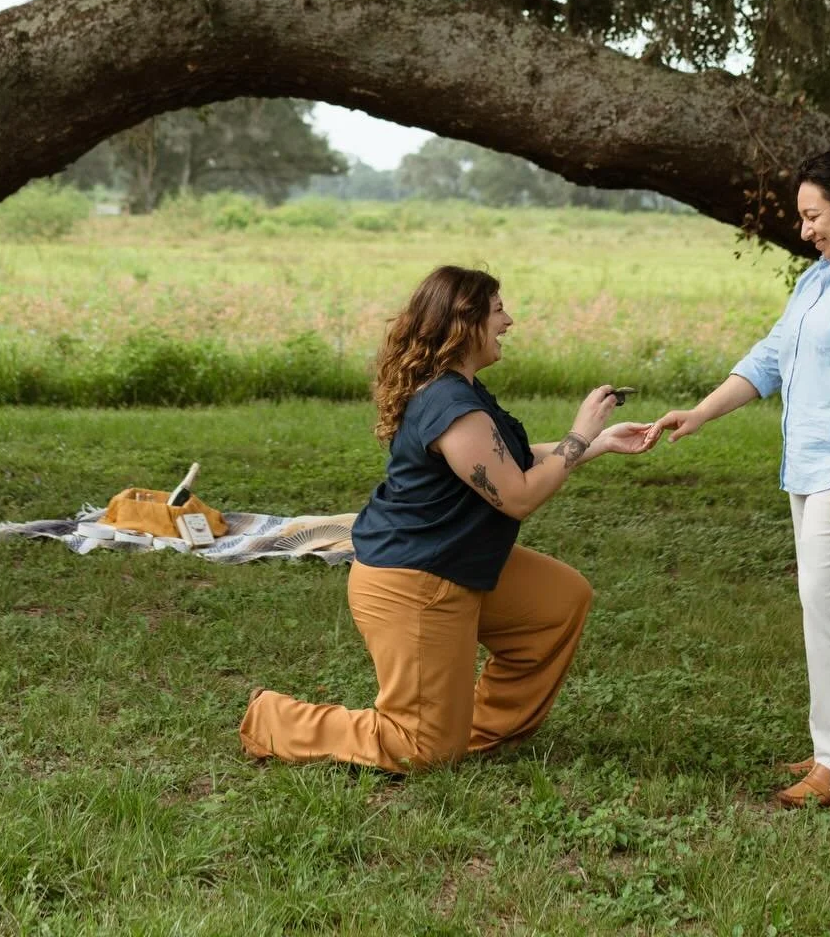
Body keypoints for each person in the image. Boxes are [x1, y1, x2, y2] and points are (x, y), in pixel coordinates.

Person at [240, 264, 652, 774]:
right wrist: (580, 432)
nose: (510, 321)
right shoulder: (451, 404)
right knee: (419, 749)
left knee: (557, 603)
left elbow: (506, 462)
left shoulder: (462, 393)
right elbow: (518, 495)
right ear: (466, 321)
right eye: (499, 310)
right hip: (413, 580)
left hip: (455, 564)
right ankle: (272, 719)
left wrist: (598, 442)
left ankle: (476, 731)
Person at [645, 149, 830, 809]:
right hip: (811, 468)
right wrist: (699, 414)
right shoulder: (821, 279)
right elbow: (769, 359)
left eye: (814, 216)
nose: (804, 230)